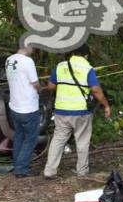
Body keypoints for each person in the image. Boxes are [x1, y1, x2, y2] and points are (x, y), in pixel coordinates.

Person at [43, 43, 111, 178]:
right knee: (82, 141)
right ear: (86, 55)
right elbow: (96, 90)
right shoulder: (87, 68)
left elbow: (50, 87)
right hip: (81, 111)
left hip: (61, 110)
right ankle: (82, 171)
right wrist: (106, 105)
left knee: (58, 140)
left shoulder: (60, 66)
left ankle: (49, 171)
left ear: (73, 53)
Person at [5, 46, 41, 178]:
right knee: (30, 138)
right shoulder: (27, 61)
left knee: (19, 136)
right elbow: (35, 83)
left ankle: (17, 165)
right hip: (28, 107)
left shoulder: (9, 59)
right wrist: (40, 90)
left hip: (15, 105)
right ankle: (21, 169)